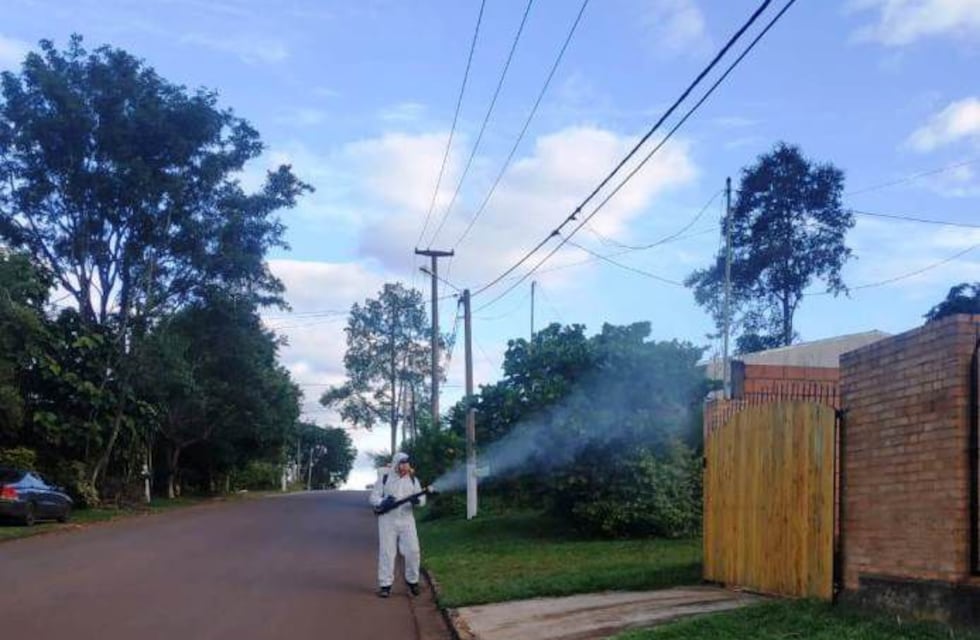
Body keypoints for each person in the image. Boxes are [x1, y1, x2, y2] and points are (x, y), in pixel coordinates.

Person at [369, 452, 426, 598]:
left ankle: (413, 582)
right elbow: (373, 497)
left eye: (406, 464)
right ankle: (385, 585)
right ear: (395, 464)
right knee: (387, 552)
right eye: (401, 464)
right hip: (388, 520)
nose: (404, 467)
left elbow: (422, 499)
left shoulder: (413, 480)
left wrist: (417, 501)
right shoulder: (385, 478)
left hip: (407, 520)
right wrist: (383, 502)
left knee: (413, 551)